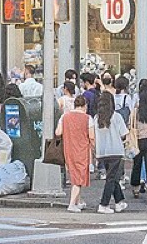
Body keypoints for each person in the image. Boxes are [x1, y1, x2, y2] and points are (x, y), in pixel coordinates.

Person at [59, 85, 95, 213]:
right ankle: (72, 204)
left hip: (68, 148)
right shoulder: (87, 119)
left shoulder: (65, 117)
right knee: (79, 178)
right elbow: (91, 136)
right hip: (82, 150)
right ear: (85, 105)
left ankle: (79, 201)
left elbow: (58, 132)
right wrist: (95, 148)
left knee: (74, 175)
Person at [94, 88, 129, 213]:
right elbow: (124, 134)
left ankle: (120, 202)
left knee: (111, 177)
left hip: (102, 152)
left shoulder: (96, 118)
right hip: (116, 150)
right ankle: (104, 204)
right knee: (111, 179)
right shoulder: (116, 117)